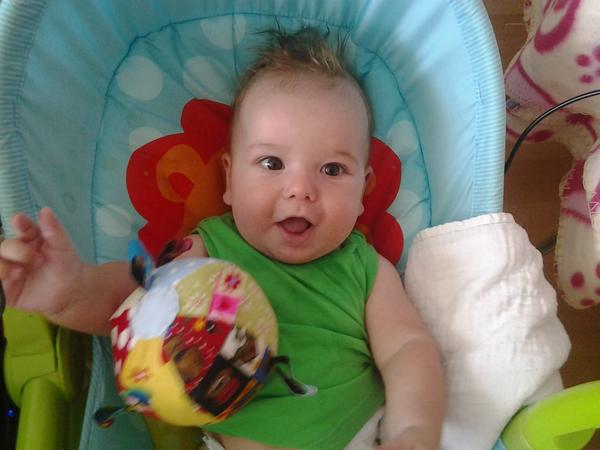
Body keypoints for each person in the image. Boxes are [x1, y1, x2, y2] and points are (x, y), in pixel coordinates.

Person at [0, 27, 444, 450]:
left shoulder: (366, 270)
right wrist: (71, 290)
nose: (300, 189)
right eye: (272, 163)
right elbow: (133, 302)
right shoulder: (209, 252)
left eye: (332, 169)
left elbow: (408, 349)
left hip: (360, 437)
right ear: (229, 180)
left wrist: (413, 430)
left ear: (364, 190)